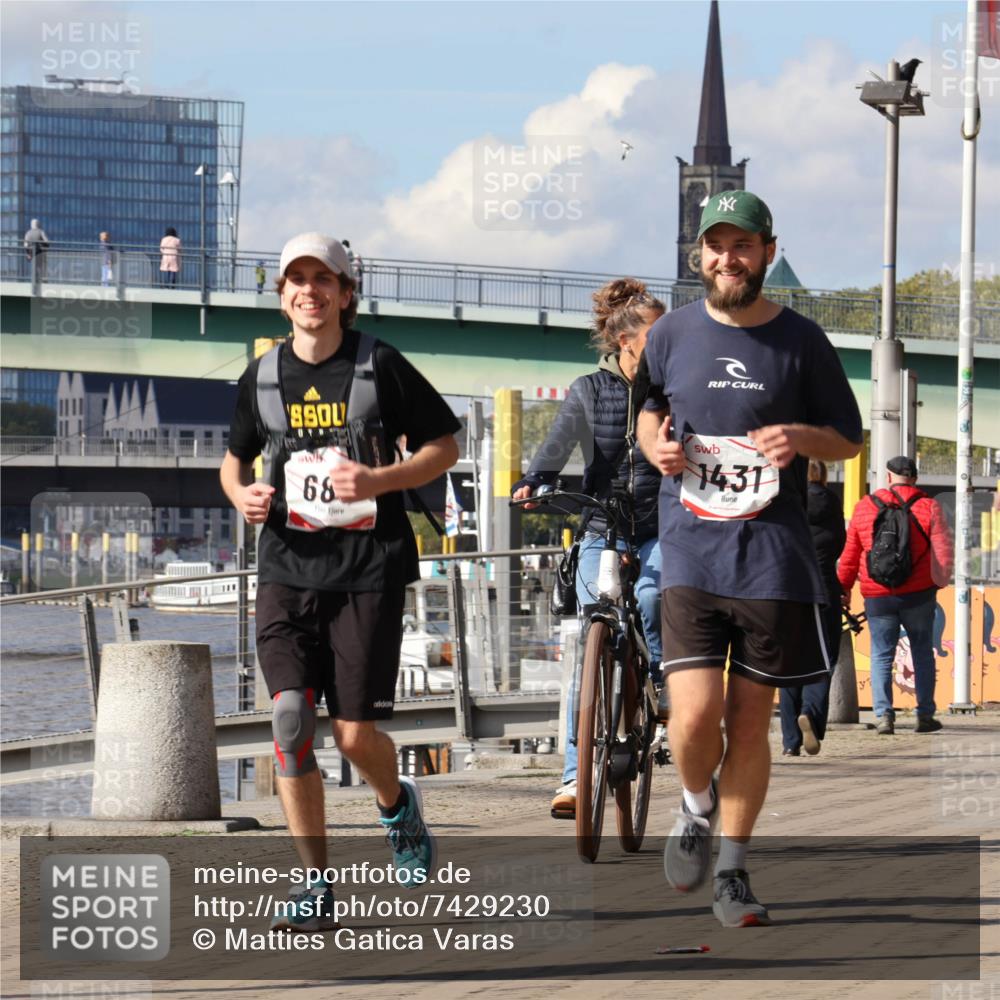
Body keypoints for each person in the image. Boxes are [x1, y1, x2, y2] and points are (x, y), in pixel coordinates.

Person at [220, 232, 460, 931]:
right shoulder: (262, 377)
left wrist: (381, 478)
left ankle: (396, 806)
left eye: (322, 280)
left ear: (345, 293)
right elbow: (233, 462)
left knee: (356, 738)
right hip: (287, 570)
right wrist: (242, 498)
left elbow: (446, 446)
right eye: (296, 280)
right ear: (283, 295)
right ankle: (314, 884)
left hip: (368, 572)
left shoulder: (378, 364)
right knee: (291, 722)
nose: (308, 292)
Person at [637, 190, 862, 928]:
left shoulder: (803, 341)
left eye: (743, 245)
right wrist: (655, 447)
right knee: (693, 718)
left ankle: (732, 871)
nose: (728, 258)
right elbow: (647, 407)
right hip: (692, 551)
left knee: (752, 714)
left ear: (768, 250)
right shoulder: (670, 334)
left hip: (771, 555)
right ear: (699, 255)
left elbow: (849, 437)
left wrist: (800, 435)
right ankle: (696, 804)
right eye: (716, 245)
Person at [511, 277, 665, 821]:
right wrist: (537, 479)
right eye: (655, 335)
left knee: (651, 593)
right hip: (603, 524)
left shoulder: (671, 391)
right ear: (625, 340)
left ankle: (664, 685)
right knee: (590, 644)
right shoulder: (587, 390)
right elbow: (556, 443)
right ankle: (576, 777)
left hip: (657, 524)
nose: (666, 343)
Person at [837, 455, 954, 735]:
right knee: (922, 652)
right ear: (913, 478)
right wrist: (938, 582)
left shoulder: (865, 508)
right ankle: (924, 715)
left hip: (878, 595)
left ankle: (884, 716)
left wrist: (844, 590)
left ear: (888, 477)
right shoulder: (930, 507)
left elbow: (850, 557)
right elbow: (944, 553)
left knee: (881, 655)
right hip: (919, 594)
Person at [777, 459, 846, 756]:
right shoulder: (832, 503)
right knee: (823, 658)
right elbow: (840, 544)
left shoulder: (787, 500)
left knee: (788, 661)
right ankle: (812, 716)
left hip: (788, 588)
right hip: (825, 588)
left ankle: (790, 740)